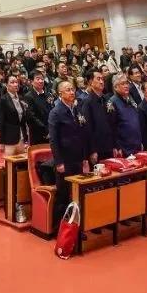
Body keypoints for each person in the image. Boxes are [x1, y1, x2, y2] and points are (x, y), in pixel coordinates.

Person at [48, 81, 88, 224]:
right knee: (64, 196)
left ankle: (75, 225)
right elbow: (54, 140)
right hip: (65, 160)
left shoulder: (77, 109)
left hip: (77, 157)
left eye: (72, 89)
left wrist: (84, 157)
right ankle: (60, 227)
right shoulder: (55, 113)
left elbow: (83, 134)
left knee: (77, 194)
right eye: (68, 90)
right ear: (60, 94)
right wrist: (59, 162)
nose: (72, 92)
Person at [110, 73, 142, 156]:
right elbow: (112, 128)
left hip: (136, 145)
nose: (126, 86)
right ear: (115, 87)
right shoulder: (112, 102)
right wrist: (117, 147)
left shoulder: (130, 98)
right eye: (123, 83)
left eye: (127, 83)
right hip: (124, 148)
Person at [0, 75, 29, 157]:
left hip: (21, 136)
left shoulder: (21, 98)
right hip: (9, 138)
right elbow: (1, 122)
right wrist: (1, 142)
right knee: (9, 162)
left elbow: (23, 120)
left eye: (16, 82)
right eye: (12, 82)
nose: (15, 84)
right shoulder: (4, 100)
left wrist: (26, 136)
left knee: (21, 162)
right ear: (6, 85)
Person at [24, 72, 54, 145]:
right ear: (32, 81)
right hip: (38, 133)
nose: (41, 81)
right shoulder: (28, 96)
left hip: (52, 130)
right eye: (38, 79)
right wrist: (45, 131)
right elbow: (31, 117)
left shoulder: (48, 95)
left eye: (42, 79)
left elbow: (53, 111)